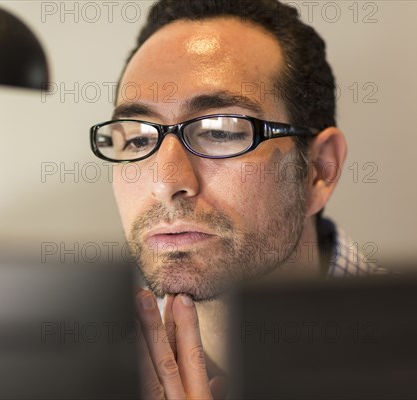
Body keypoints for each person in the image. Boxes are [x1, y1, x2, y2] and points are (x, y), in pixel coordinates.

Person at [90, 1, 386, 398]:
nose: (166, 182)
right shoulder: (79, 374)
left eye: (220, 131)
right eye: (140, 138)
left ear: (319, 169)